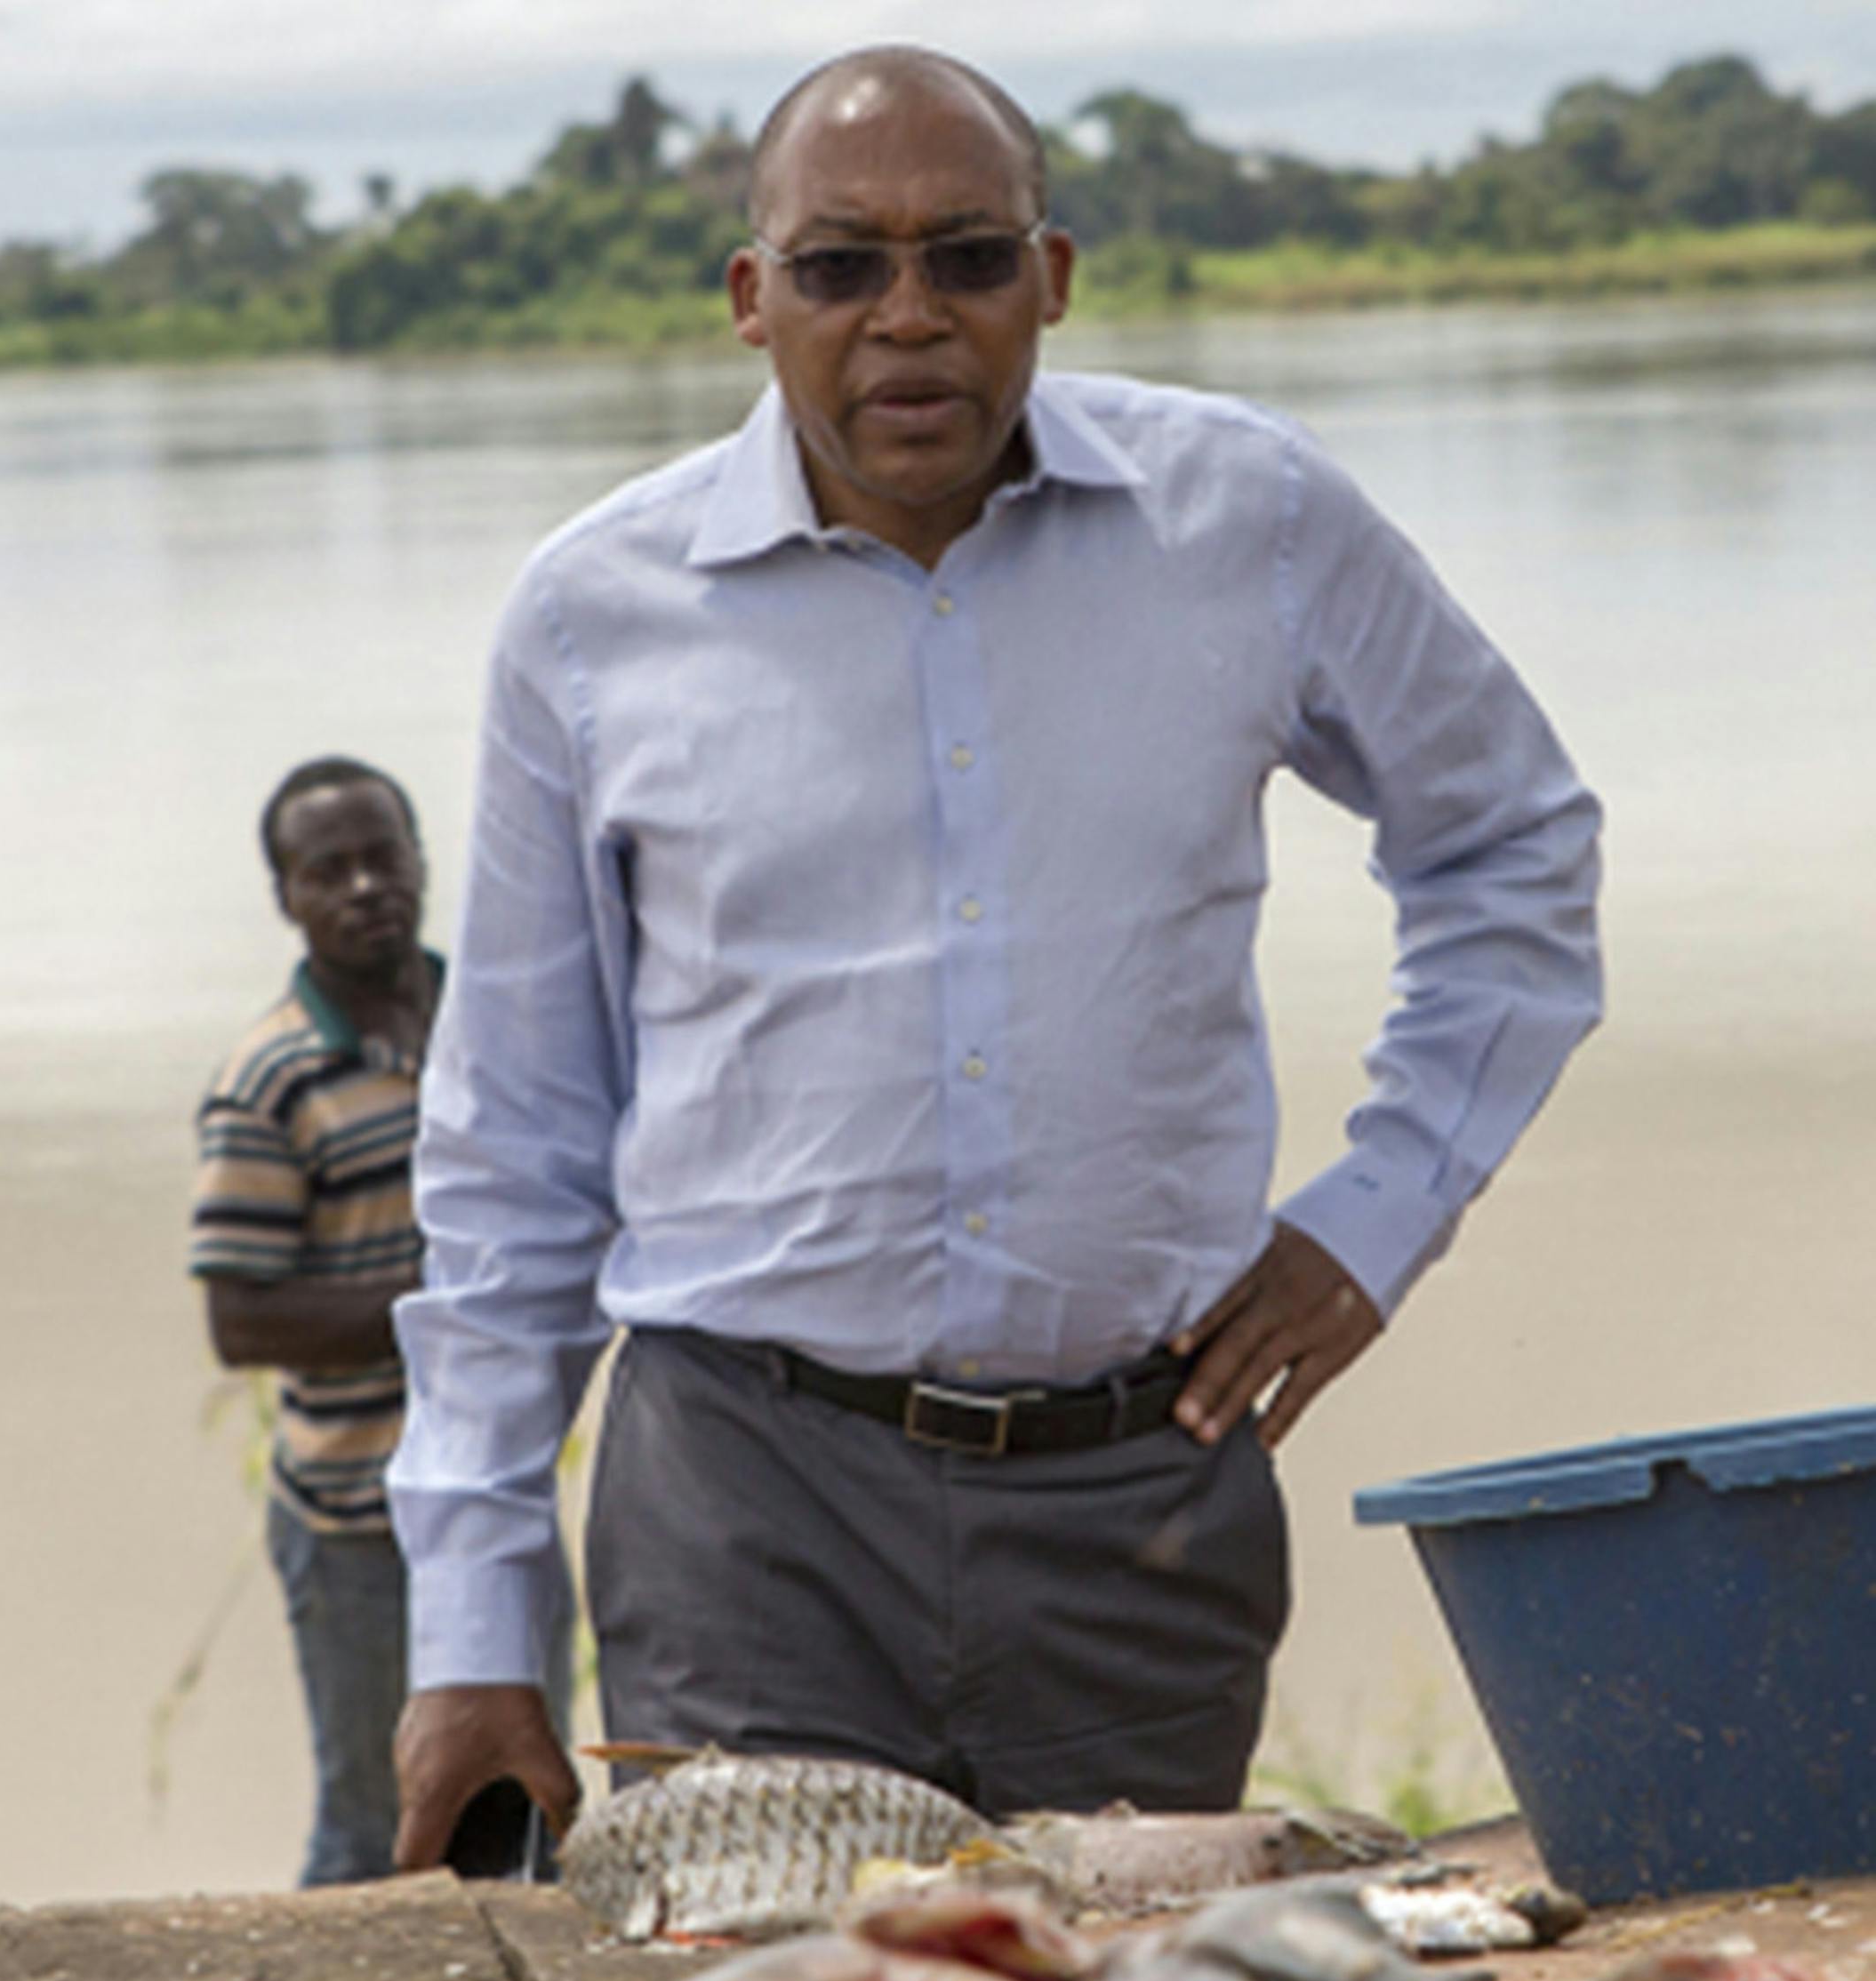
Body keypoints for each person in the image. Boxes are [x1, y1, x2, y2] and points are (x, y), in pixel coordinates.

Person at [387, 45, 1604, 1870]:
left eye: (964, 258)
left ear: (1050, 277)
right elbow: (517, 1138)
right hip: (747, 1502)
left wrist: (1371, 1221)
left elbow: (1513, 845)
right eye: (838, 267)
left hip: (1138, 1505)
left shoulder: (1250, 524)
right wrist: (474, 1629)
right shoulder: (592, 614)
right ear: (750, 301)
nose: (906, 318)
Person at [189, 757, 438, 1885]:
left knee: (522, 1795)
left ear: (422, 862)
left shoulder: (486, 1028)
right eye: (325, 869)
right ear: (286, 898)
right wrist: (453, 1305)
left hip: (492, 1493)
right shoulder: (270, 1079)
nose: (362, 887)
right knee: (373, 1819)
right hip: (354, 1518)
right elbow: (242, 1320)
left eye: (381, 856)